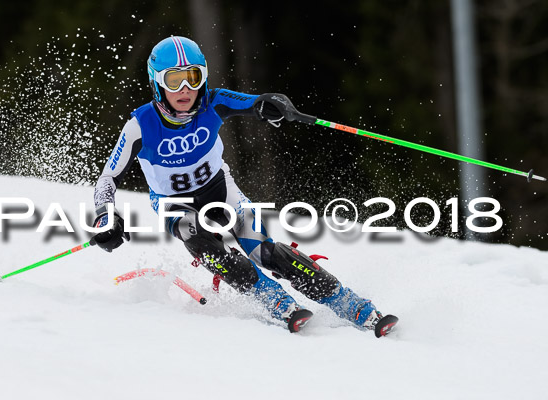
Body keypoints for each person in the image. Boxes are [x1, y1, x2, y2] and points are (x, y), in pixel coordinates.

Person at [92, 36, 397, 335]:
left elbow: (257, 103)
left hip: (220, 190)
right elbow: (108, 178)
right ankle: (272, 298)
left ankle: (349, 302)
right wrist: (106, 217)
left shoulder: (213, 102)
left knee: (264, 251)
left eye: (193, 78)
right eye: (174, 80)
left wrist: (272, 105)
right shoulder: (140, 125)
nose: (185, 89)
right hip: (175, 201)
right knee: (194, 235)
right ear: (157, 82)